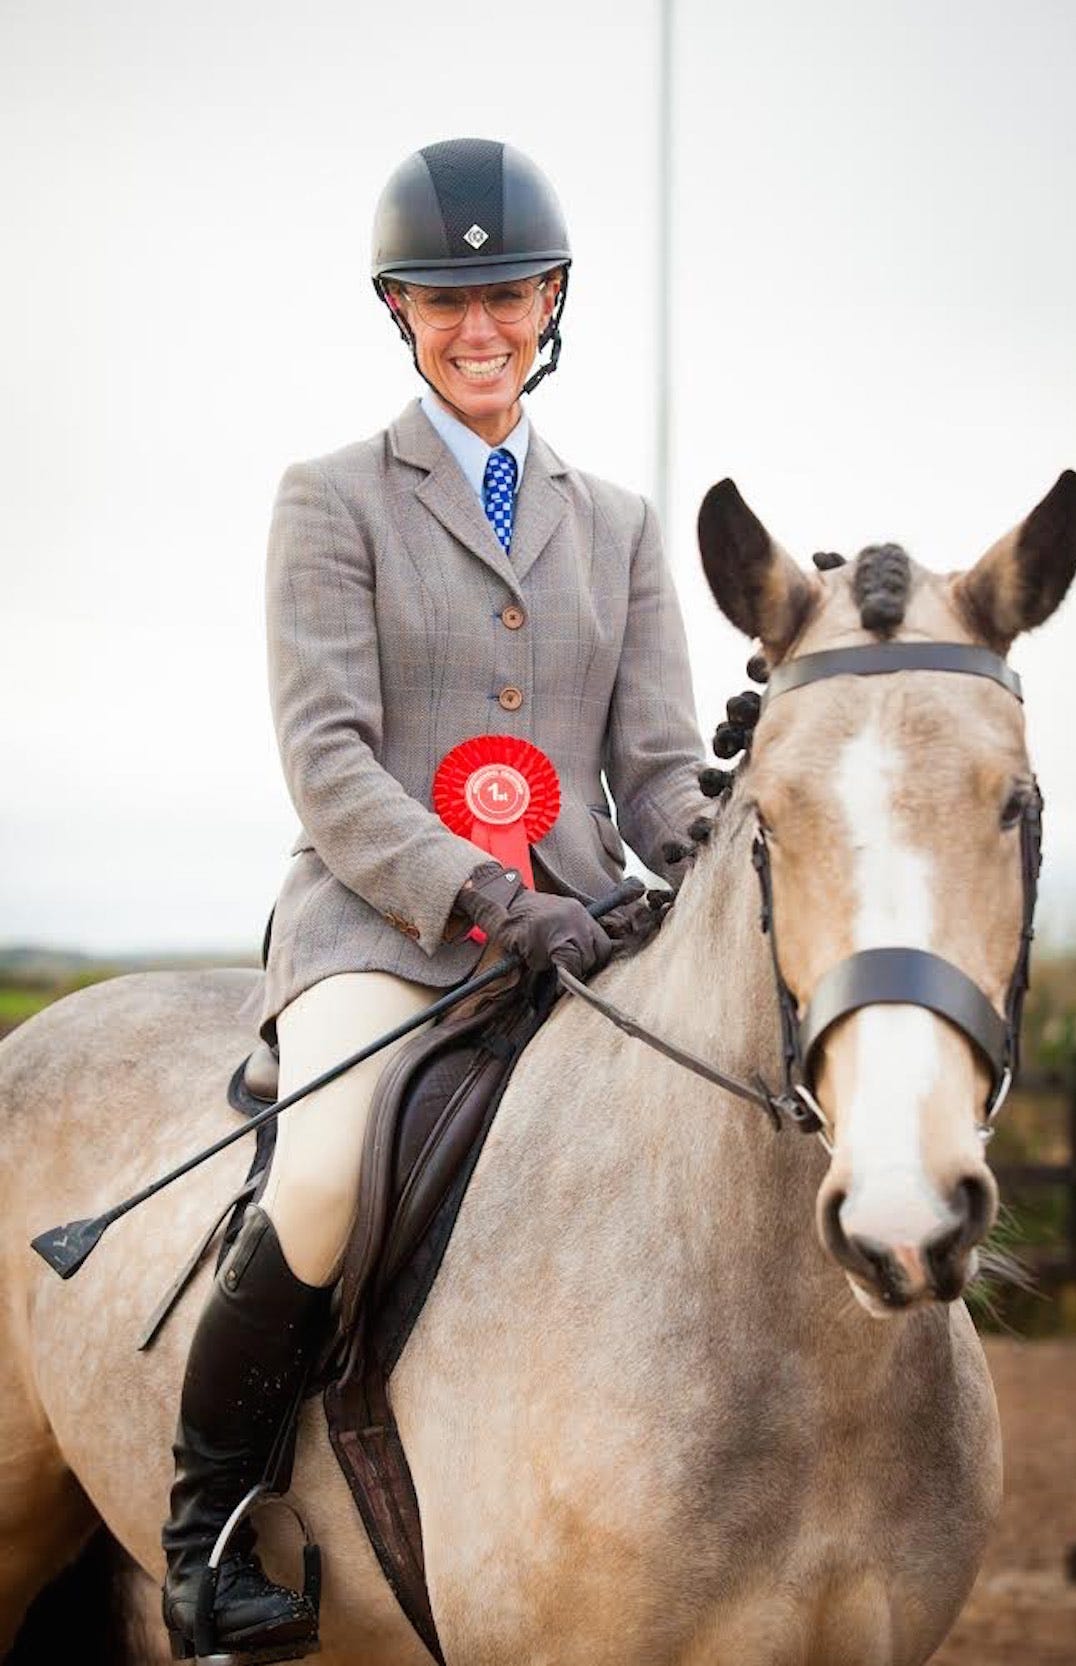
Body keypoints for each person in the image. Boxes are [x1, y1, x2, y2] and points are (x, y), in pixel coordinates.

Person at [161, 136, 708, 1662]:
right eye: (446, 300)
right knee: (326, 1170)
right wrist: (475, 886)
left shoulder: (621, 524)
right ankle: (206, 1528)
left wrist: (726, 839)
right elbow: (327, 758)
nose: (481, 327)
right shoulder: (332, 498)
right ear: (398, 310)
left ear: (552, 303)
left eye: (508, 296)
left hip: (580, 932)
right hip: (382, 929)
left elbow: (658, 774)